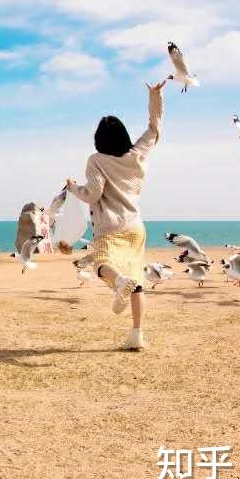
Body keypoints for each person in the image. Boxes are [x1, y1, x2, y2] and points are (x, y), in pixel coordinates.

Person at [65, 80, 165, 351]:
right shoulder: (136, 154)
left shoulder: (96, 160)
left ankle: (119, 282)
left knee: (101, 264)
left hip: (110, 226)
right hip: (135, 227)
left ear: (99, 140)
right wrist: (155, 96)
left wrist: (72, 187)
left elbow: (93, 194)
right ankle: (137, 335)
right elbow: (154, 130)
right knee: (137, 283)